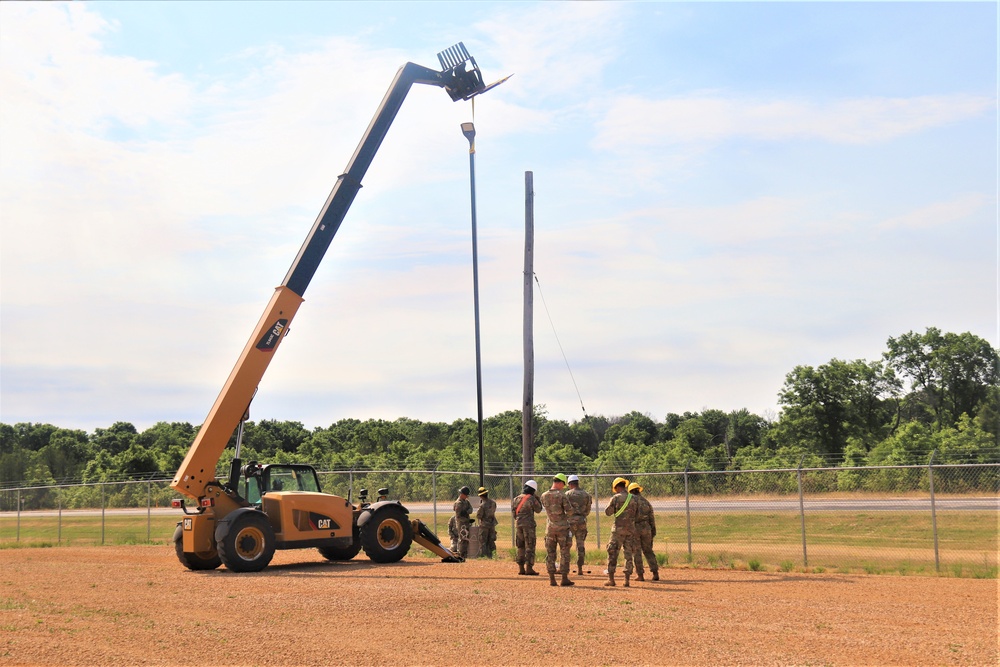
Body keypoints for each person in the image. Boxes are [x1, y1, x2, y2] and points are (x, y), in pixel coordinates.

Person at [540, 473, 575, 587]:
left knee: (550, 553)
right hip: (562, 528)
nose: (563, 487)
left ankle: (552, 579)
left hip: (550, 528)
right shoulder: (562, 496)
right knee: (564, 553)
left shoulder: (544, 495)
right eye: (563, 485)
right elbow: (569, 511)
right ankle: (564, 578)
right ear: (560, 483)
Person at [603, 476, 637, 587]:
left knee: (612, 552)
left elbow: (608, 512)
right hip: (630, 530)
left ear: (617, 487)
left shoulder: (616, 498)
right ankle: (627, 580)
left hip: (618, 529)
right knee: (628, 554)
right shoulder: (633, 498)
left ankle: (611, 579)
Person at [511, 479, 542, 575]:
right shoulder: (531, 499)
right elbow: (538, 509)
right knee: (530, 546)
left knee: (520, 546)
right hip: (529, 526)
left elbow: (513, 513)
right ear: (533, 490)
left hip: (518, 524)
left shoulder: (516, 499)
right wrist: (537, 498)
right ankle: (529, 568)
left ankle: (521, 568)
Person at [629, 482, 659, 581]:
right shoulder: (646, 502)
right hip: (647, 528)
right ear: (638, 490)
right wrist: (653, 530)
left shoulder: (631, 502)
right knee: (648, 551)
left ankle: (640, 575)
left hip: (635, 528)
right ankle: (655, 573)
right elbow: (651, 517)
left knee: (636, 552)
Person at [564, 474, 592, 576]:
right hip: (581, 521)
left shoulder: (567, 494)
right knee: (580, 545)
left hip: (570, 522)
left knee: (566, 545)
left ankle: (565, 568)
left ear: (570, 484)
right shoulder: (586, 495)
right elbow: (588, 510)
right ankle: (580, 568)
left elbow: (564, 508)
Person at [475, 486, 498, 558]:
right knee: (491, 540)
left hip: (484, 525)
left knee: (483, 541)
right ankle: (493, 555)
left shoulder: (482, 505)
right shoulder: (493, 503)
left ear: (481, 496)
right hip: (492, 524)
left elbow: (479, 515)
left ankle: (484, 556)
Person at [452, 486, 474, 559]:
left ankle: (465, 554)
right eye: (466, 495)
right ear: (462, 494)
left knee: (466, 539)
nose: (467, 496)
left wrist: (467, 512)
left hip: (466, 523)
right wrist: (466, 517)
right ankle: (461, 554)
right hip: (461, 524)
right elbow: (459, 516)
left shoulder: (466, 502)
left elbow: (471, 509)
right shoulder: (458, 503)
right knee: (462, 539)